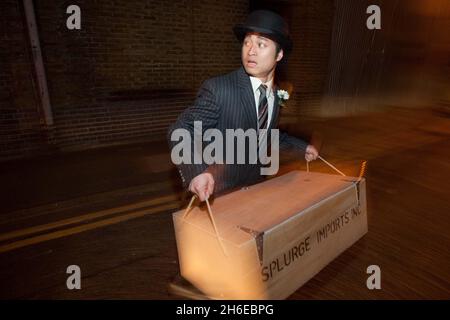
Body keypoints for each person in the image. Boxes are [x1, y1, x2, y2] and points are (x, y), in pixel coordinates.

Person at [168, 10, 319, 202]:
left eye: (261, 44)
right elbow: (181, 129)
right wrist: (197, 172)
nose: (251, 50)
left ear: (279, 54)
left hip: (256, 191)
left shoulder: (275, 94)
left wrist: (302, 147)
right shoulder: (219, 89)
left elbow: (266, 135)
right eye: (247, 42)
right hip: (218, 196)